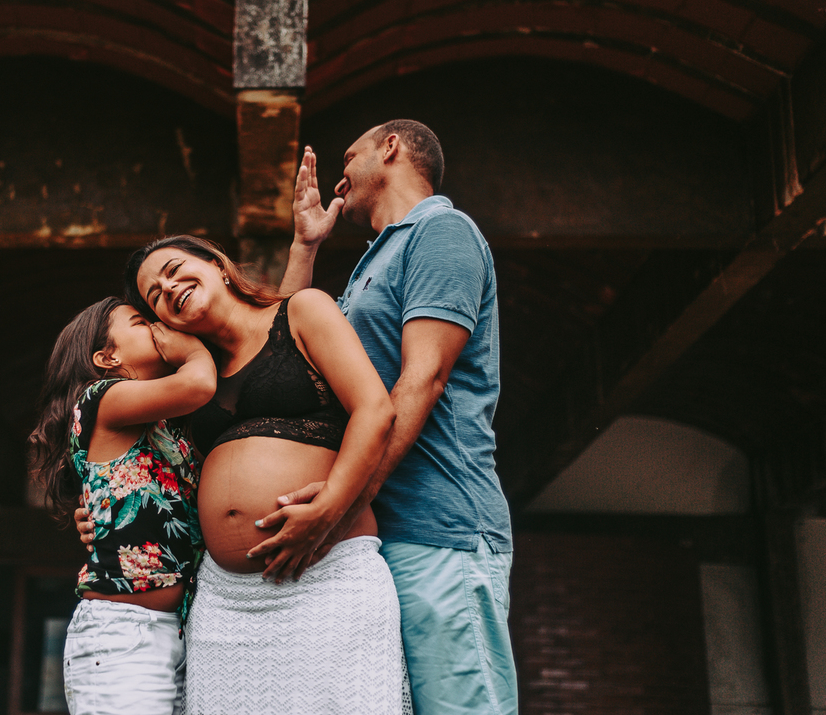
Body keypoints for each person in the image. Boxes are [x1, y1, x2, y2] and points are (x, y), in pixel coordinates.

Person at [260, 120, 518, 715]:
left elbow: (423, 378)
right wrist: (305, 246)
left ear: (392, 148)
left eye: (350, 157)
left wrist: (341, 503)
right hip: (378, 536)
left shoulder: (442, 231)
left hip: (440, 528)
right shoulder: (368, 268)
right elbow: (281, 353)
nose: (339, 177)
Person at [124, 235, 409, 715]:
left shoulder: (303, 312)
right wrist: (96, 510)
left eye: (174, 269)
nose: (168, 287)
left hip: (327, 572)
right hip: (227, 601)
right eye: (155, 294)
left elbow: (375, 410)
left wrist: (329, 508)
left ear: (216, 264)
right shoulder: (195, 375)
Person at [28, 296, 216, 715]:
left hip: (176, 632)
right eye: (139, 322)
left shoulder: (164, 424)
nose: (155, 326)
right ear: (106, 356)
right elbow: (200, 383)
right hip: (122, 632)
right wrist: (193, 350)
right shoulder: (103, 396)